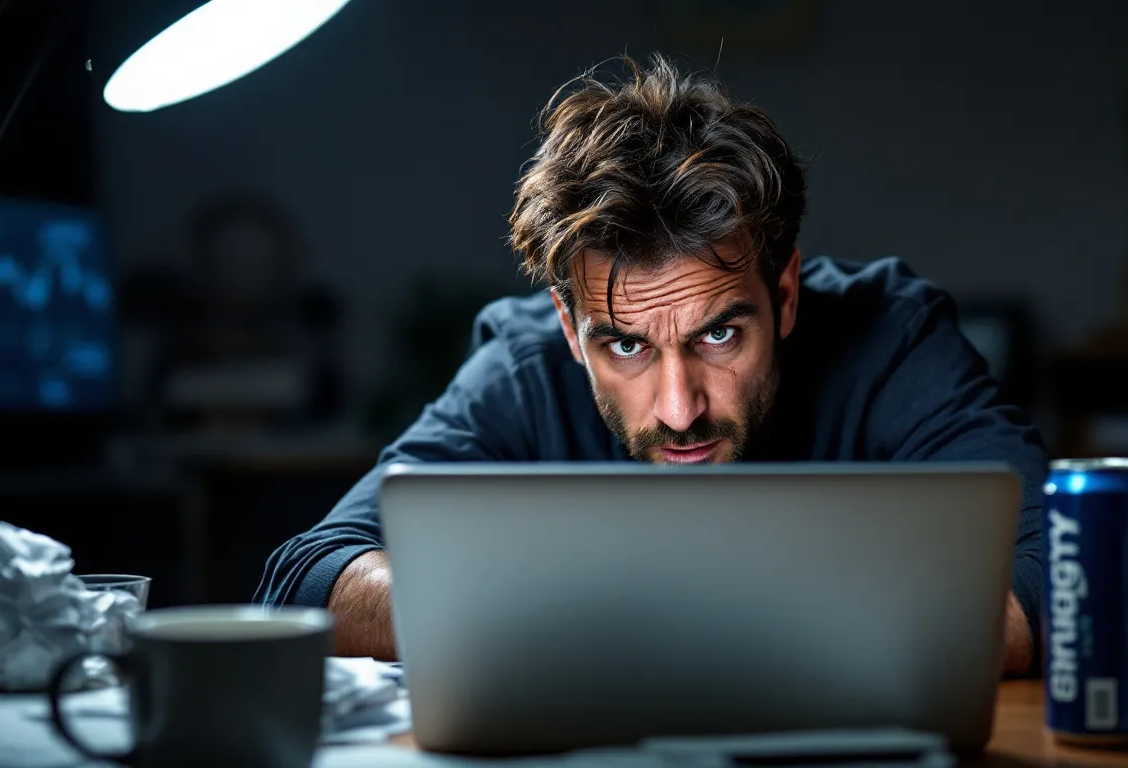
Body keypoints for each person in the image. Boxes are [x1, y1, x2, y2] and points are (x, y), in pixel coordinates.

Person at [256, 54, 1047, 676]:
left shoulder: (890, 337)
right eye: (626, 346)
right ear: (570, 328)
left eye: (719, 337)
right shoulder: (525, 368)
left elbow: (1061, 573)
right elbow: (308, 578)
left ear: (785, 294)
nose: (678, 409)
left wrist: (662, 624)